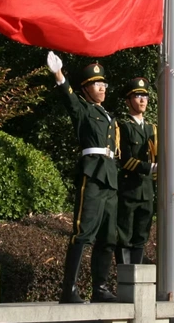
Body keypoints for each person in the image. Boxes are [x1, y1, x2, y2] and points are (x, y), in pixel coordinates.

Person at [47, 51, 119, 304]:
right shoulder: (83, 109)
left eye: (104, 84)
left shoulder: (108, 115)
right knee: (83, 231)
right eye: (97, 84)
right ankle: (69, 290)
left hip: (110, 176)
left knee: (108, 237)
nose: (102, 88)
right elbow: (68, 98)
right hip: (93, 172)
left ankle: (100, 288)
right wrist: (59, 75)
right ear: (86, 89)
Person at [116, 77, 157, 265]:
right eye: (137, 96)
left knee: (141, 235)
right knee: (124, 234)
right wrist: (149, 167)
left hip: (147, 190)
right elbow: (124, 159)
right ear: (128, 100)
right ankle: (124, 276)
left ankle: (138, 275)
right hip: (129, 188)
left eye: (145, 96)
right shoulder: (123, 127)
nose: (142, 100)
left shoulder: (152, 129)